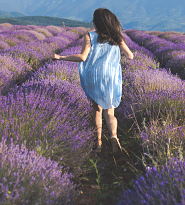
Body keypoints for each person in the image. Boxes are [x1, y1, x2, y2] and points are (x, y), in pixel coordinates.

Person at [53, 8, 134, 153]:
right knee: (110, 113)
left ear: (96, 21)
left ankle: (98, 143)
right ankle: (114, 136)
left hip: (94, 76)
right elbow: (130, 56)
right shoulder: (116, 37)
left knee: (97, 110)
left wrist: (61, 57)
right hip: (110, 76)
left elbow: (82, 57)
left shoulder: (89, 36)